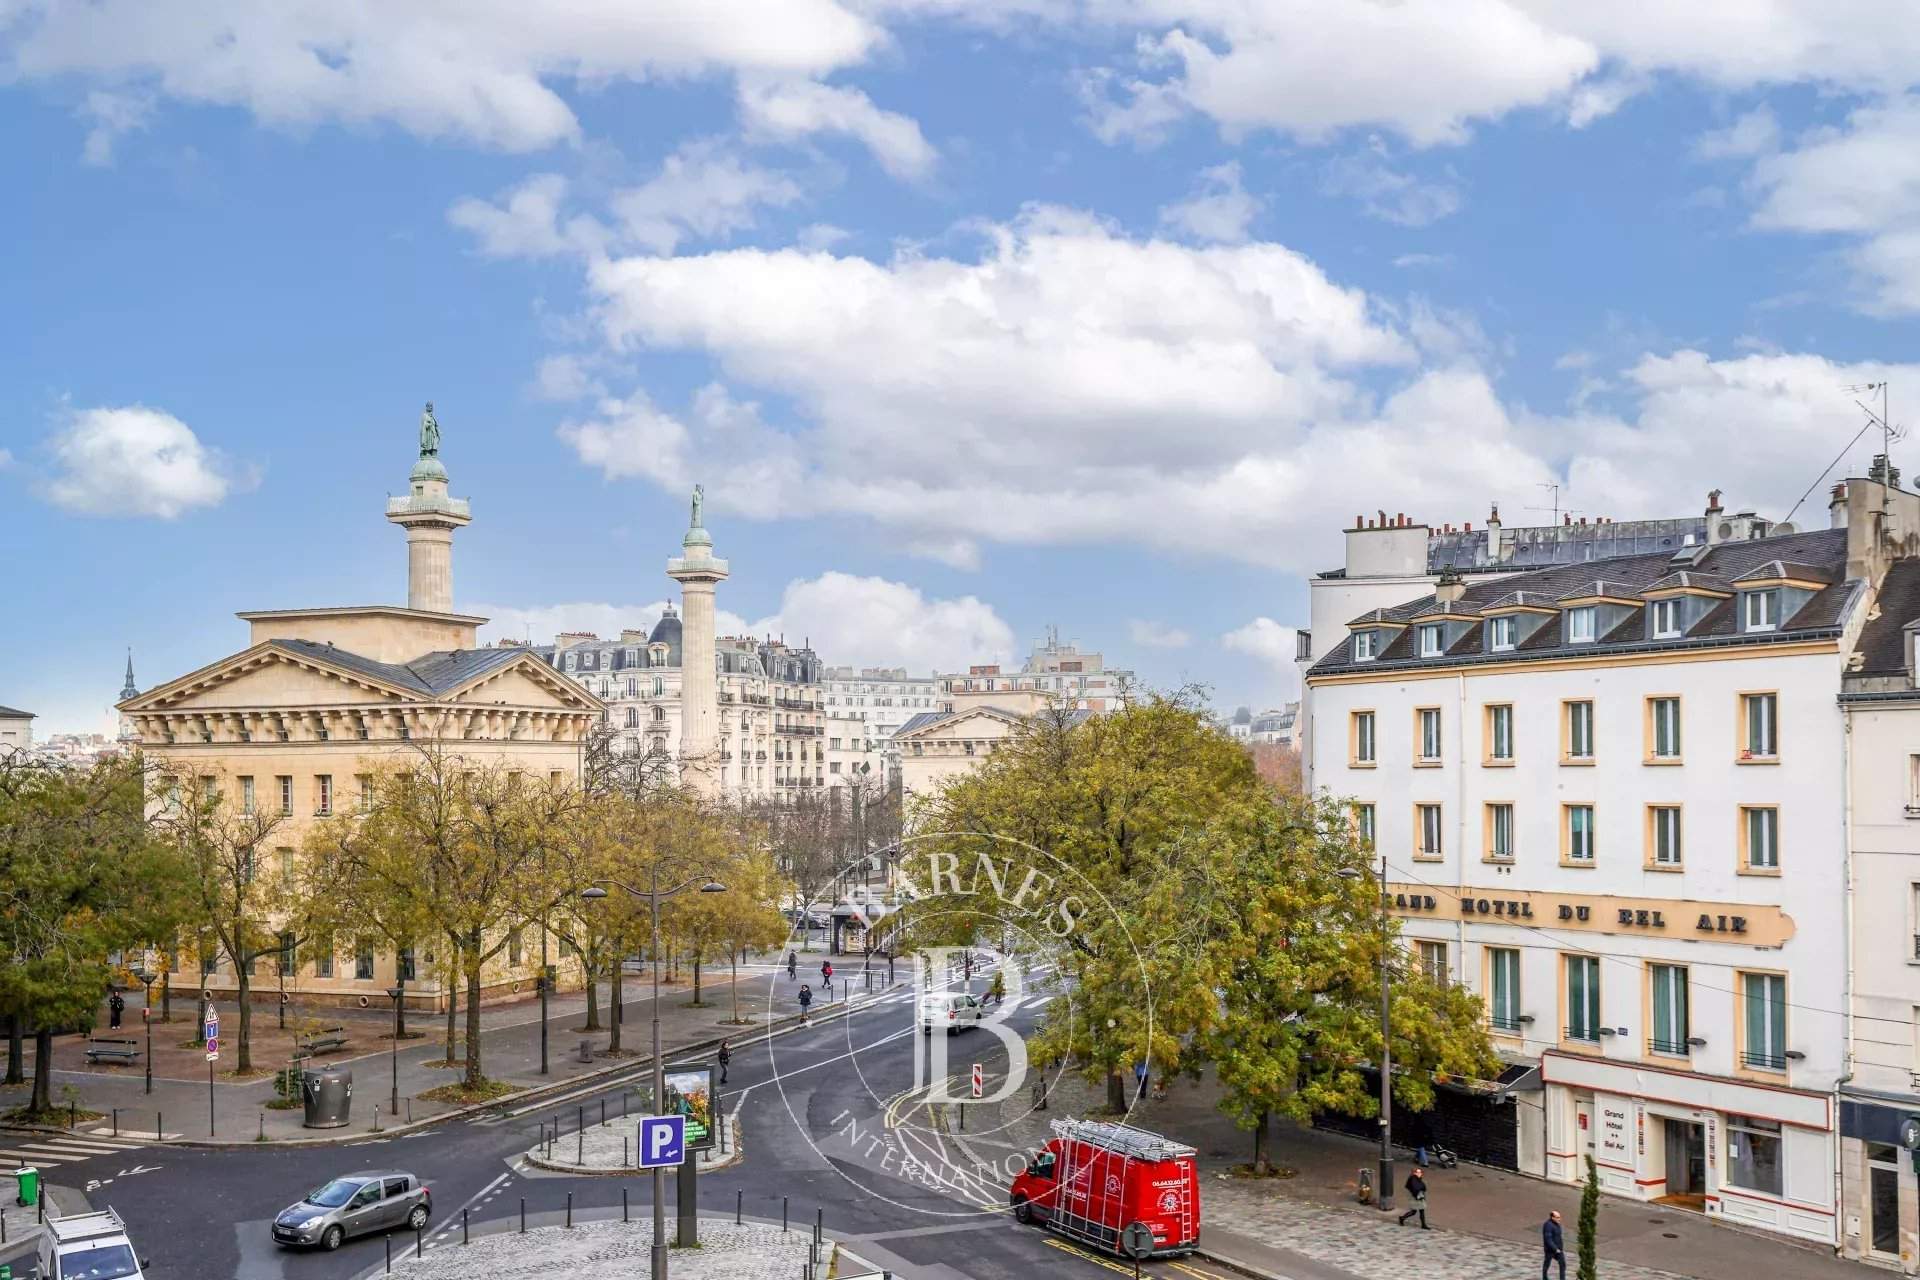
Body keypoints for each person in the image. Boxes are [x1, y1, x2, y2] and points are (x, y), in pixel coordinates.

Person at [1541, 1209, 1566, 1280]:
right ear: (1552, 1217)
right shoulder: (1548, 1225)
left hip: (1559, 1249)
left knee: (1562, 1264)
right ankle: (1544, 1277)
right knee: (1547, 1264)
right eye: (1557, 1217)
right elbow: (1548, 1239)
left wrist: (1560, 1248)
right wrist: (1555, 1249)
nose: (1559, 1219)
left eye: (1559, 1217)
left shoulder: (1557, 1224)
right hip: (1550, 1250)